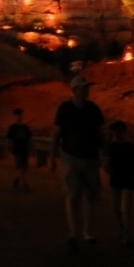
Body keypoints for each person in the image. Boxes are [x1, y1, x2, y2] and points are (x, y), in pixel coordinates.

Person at [51, 76, 105, 248]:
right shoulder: (65, 109)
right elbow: (57, 134)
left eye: (87, 88)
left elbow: (100, 133)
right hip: (71, 157)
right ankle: (73, 233)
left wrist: (107, 154)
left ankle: (88, 231)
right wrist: (53, 158)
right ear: (75, 90)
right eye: (83, 88)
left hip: (91, 158)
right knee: (73, 195)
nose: (86, 91)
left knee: (90, 196)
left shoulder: (93, 109)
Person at [106, 121, 134, 246]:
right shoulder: (111, 147)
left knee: (125, 209)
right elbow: (107, 163)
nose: (117, 134)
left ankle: (126, 234)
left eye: (119, 131)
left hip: (128, 179)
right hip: (115, 179)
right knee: (116, 208)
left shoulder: (130, 147)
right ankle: (122, 230)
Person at [6, 108, 32, 191]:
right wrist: (9, 147)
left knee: (24, 167)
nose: (20, 116)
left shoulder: (25, 127)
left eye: (21, 115)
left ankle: (17, 178)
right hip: (17, 149)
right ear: (15, 116)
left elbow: (29, 137)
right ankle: (25, 183)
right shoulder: (12, 127)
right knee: (20, 166)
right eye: (18, 115)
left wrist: (30, 147)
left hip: (24, 149)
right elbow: (9, 139)